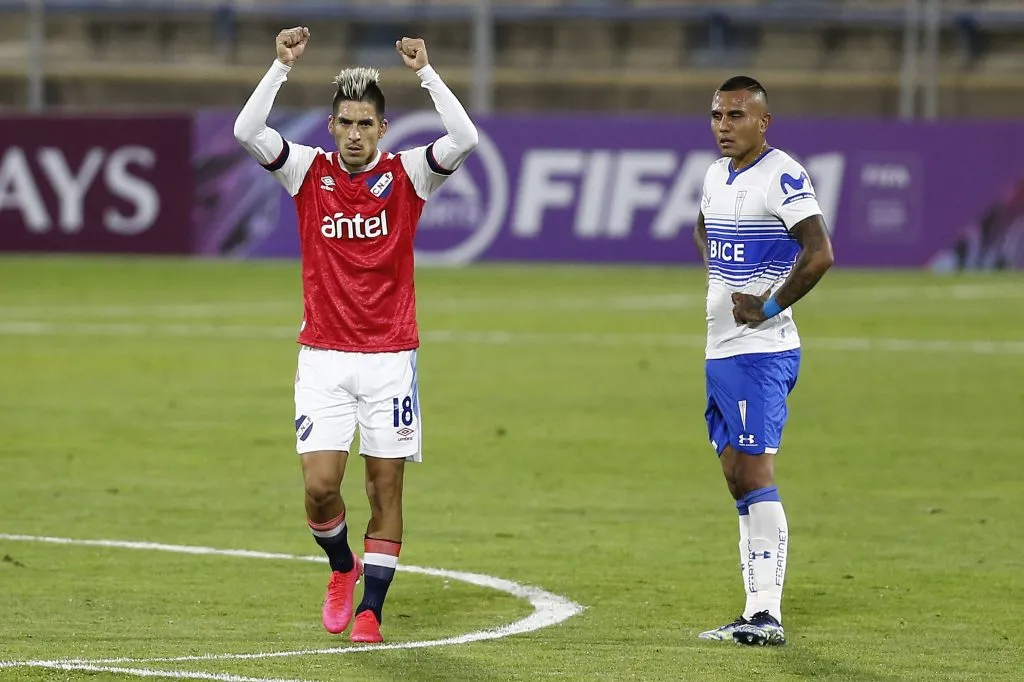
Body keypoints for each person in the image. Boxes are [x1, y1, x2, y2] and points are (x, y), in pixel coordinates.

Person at [232, 26, 478, 643]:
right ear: (332, 126)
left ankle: (371, 609)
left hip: (390, 358)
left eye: (366, 124)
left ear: (382, 129)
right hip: (322, 357)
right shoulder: (307, 173)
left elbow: (466, 138)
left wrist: (427, 72)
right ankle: (342, 565)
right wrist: (280, 66)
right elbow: (246, 131)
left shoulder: (410, 176)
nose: (354, 134)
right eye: (344, 122)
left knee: (384, 484)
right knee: (319, 489)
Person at [692, 76, 834, 646]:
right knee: (735, 478)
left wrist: (769, 304)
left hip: (763, 351)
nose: (723, 126)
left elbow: (820, 252)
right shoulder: (713, 175)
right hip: (721, 351)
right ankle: (753, 611)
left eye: (735, 115)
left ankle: (767, 616)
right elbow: (704, 227)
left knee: (755, 473)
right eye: (717, 116)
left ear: (763, 122)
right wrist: (718, 278)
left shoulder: (782, 174)